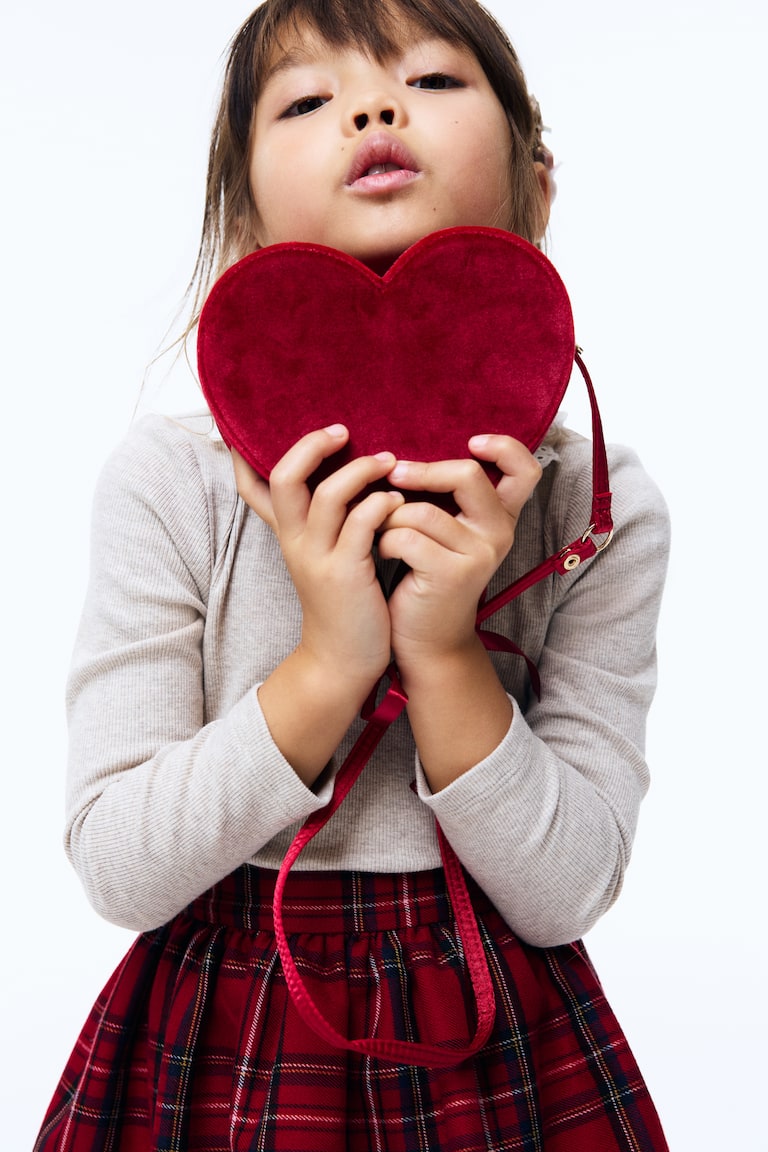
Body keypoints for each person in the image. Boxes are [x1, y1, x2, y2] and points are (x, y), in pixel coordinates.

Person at [35, 0, 670, 1148]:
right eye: (307, 100)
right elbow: (119, 863)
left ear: (539, 183)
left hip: (498, 1032)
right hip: (223, 1033)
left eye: (432, 81)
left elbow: (570, 886)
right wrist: (331, 661)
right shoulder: (171, 482)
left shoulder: (593, 503)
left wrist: (440, 651)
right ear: (243, 214)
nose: (375, 108)